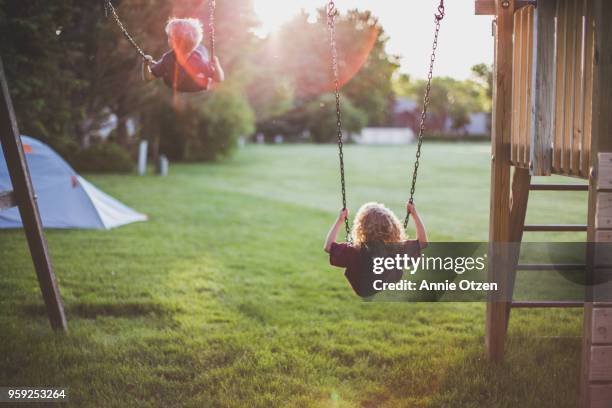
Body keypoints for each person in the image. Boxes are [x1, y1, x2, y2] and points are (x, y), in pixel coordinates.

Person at [324, 202, 428, 297]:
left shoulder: (355, 251)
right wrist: (414, 214)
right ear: (391, 226)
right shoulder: (395, 249)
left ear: (361, 227)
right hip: (386, 280)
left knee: (354, 263)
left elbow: (328, 247)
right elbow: (423, 243)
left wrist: (340, 220)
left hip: (361, 286)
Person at [142, 18, 224, 93]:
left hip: (193, 85)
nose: (168, 38)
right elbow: (219, 78)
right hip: (184, 82)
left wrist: (145, 65)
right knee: (201, 50)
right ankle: (194, 46)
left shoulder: (168, 60)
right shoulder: (169, 59)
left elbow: (148, 77)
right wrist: (216, 65)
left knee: (201, 51)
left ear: (174, 43)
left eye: (169, 37)